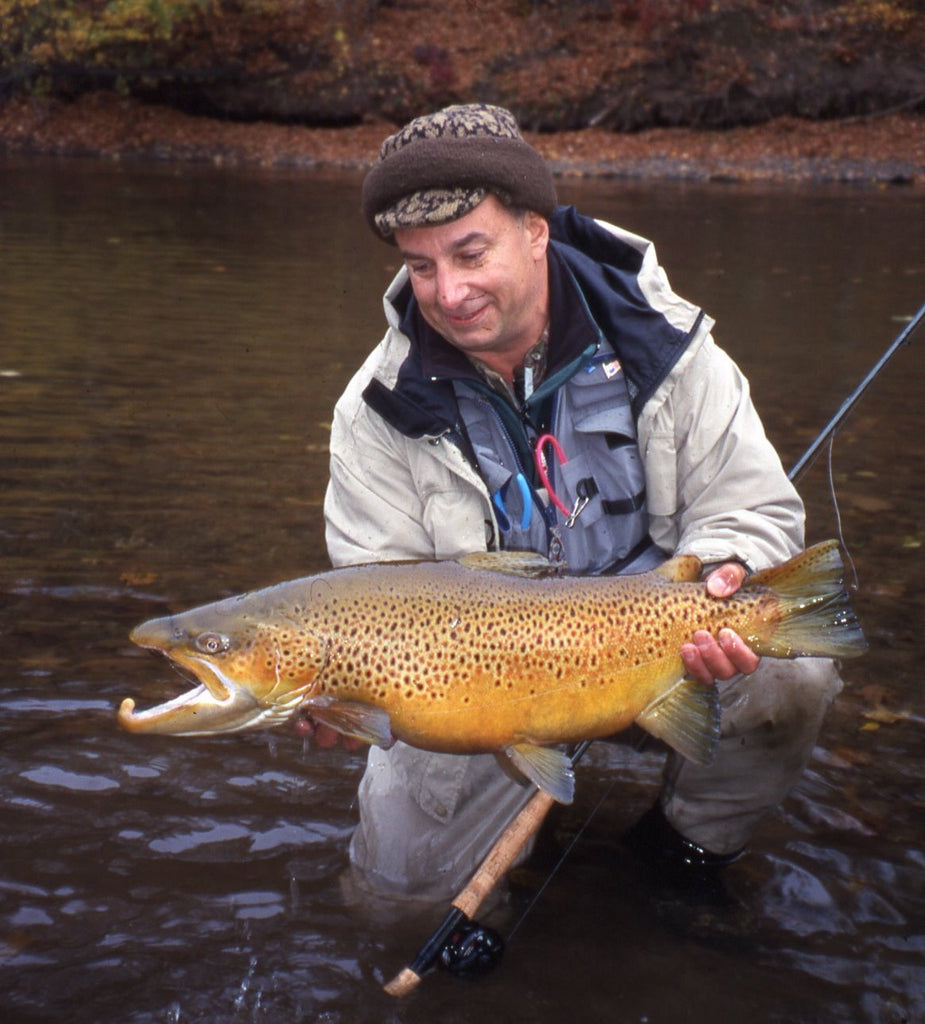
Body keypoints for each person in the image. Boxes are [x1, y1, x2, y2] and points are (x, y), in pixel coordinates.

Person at [321, 103, 842, 902]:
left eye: (469, 253)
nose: (448, 292)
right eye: (421, 268)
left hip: (665, 649)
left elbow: (756, 509)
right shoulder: (376, 410)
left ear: (535, 231)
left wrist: (734, 566)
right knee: (392, 901)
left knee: (793, 668)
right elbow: (371, 594)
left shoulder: (665, 344)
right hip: (483, 687)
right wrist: (344, 698)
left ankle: (684, 853)